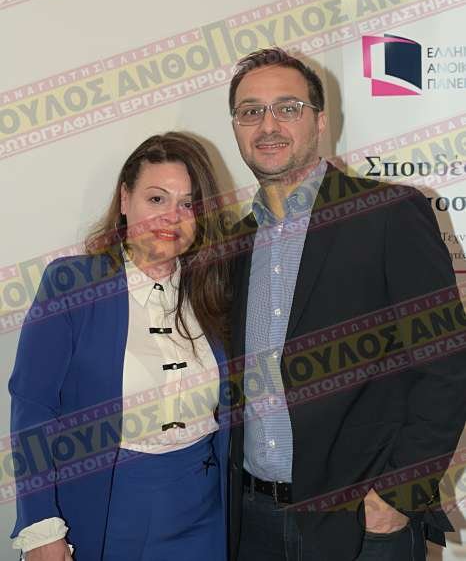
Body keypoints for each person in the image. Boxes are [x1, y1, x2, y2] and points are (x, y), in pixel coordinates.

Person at [228, 47, 466, 561]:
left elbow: (447, 366)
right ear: (237, 128)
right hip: (250, 522)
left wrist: (397, 498)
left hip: (361, 523)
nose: (268, 125)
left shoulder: (388, 214)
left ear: (320, 121)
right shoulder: (234, 244)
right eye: (251, 111)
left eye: (287, 108)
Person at [9, 132, 231, 561]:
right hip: (110, 507)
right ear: (125, 198)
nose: (171, 217)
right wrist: (40, 527)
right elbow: (32, 408)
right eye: (156, 199)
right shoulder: (72, 283)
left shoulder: (214, 289)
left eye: (188, 204)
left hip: (206, 510)